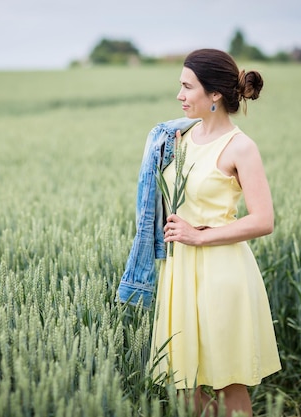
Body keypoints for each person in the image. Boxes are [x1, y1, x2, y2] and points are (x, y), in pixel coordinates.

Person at [118, 48, 281, 416]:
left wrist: (200, 235)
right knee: (182, 387)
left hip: (221, 273)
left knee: (229, 384)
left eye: (188, 87)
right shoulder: (177, 138)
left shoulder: (240, 147)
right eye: (180, 86)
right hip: (179, 273)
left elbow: (264, 220)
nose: (179, 95)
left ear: (215, 95)